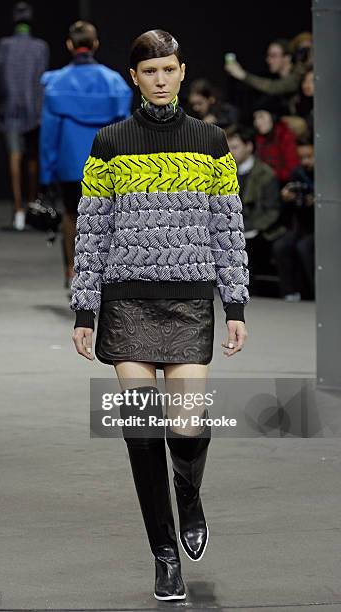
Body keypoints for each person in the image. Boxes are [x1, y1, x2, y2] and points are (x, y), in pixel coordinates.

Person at [70, 30, 249, 601]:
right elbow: (92, 232)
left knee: (189, 429)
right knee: (141, 432)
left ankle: (189, 493)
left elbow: (227, 229)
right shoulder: (109, 142)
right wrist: (85, 308)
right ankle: (164, 555)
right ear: (135, 77)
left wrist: (235, 303)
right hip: (126, 304)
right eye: (151, 71)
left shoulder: (210, 141)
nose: (161, 79)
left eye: (169, 69)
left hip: (190, 301)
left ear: (181, 70)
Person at [39, 20, 132, 290]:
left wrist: (46, 174)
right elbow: (123, 130)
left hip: (70, 165)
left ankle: (72, 271)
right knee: (107, 218)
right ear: (95, 45)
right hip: (107, 163)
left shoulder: (56, 84)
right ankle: (101, 275)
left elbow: (49, 134)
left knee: (71, 215)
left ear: (69, 45)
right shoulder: (115, 82)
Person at [0, 1, 49, 230]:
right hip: (35, 110)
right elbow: (42, 80)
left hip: (11, 109)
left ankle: (18, 212)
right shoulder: (41, 47)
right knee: (32, 159)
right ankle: (33, 206)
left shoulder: (4, 45)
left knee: (15, 157)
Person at [225, 124, 281, 293]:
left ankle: (247, 290)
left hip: (258, 228)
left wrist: (249, 227)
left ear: (249, 147)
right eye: (228, 148)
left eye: (235, 147)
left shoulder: (265, 174)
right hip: (231, 225)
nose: (230, 152)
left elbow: (272, 211)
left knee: (246, 244)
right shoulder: (226, 171)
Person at [272, 138, 315, 301]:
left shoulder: (327, 173)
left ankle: (314, 292)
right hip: (301, 224)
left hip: (322, 228)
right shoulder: (298, 173)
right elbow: (290, 205)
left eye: (309, 156)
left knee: (304, 247)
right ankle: (289, 292)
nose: (306, 161)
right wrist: (287, 198)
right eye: (302, 157)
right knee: (281, 246)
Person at [224, 38, 310, 107]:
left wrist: (242, 75)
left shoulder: (299, 75)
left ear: (287, 58)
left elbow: (274, 87)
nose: (269, 60)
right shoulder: (274, 77)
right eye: (268, 55)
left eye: (273, 56)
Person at [253, 96, 299, 185]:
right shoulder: (259, 139)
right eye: (255, 119)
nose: (257, 122)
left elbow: (292, 169)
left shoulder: (285, 136)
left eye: (261, 117)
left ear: (272, 116)